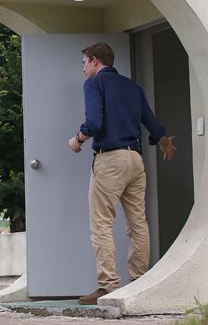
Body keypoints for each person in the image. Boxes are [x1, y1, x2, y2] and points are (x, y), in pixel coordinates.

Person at [68, 42, 177, 305]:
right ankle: (139, 282)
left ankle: (108, 287)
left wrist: (78, 140)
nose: (82, 68)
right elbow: (152, 123)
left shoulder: (94, 84)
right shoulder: (133, 88)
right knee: (138, 224)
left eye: (84, 62)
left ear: (95, 61)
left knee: (101, 224)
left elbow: (93, 123)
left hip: (111, 160)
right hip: (135, 160)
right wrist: (164, 142)